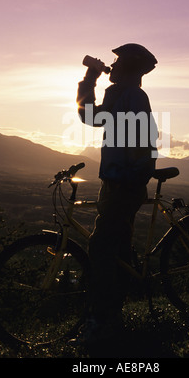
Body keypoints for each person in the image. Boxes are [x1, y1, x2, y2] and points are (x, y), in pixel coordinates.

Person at [73, 43, 158, 345]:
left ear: (129, 67)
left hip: (122, 184)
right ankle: (115, 317)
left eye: (117, 61)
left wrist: (90, 77)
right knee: (118, 251)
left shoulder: (128, 93)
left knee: (101, 249)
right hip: (118, 182)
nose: (113, 64)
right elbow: (93, 119)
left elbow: (92, 118)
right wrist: (90, 78)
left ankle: (101, 322)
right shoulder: (128, 93)